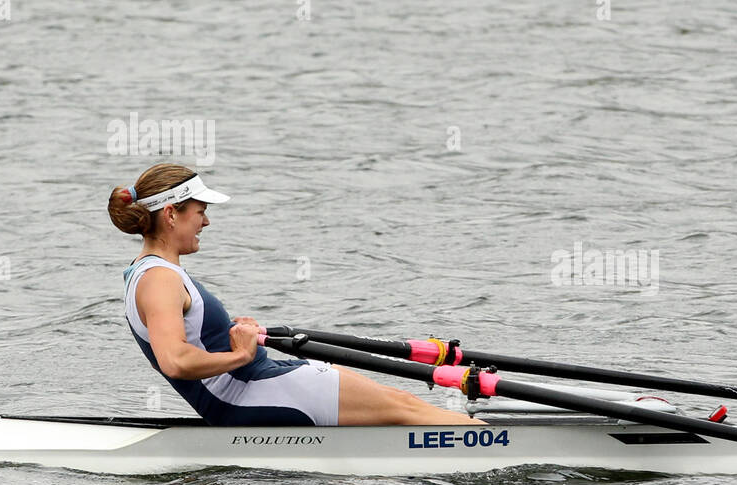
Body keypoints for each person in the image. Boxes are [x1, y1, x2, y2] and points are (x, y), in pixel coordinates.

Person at [107, 163, 481, 426]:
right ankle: (490, 439)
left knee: (406, 405)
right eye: (200, 212)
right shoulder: (158, 278)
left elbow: (194, 340)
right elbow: (175, 360)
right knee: (408, 409)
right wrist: (239, 353)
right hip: (248, 393)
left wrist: (234, 333)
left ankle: (473, 429)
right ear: (171, 214)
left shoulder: (152, 273)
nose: (206, 222)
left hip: (260, 381)